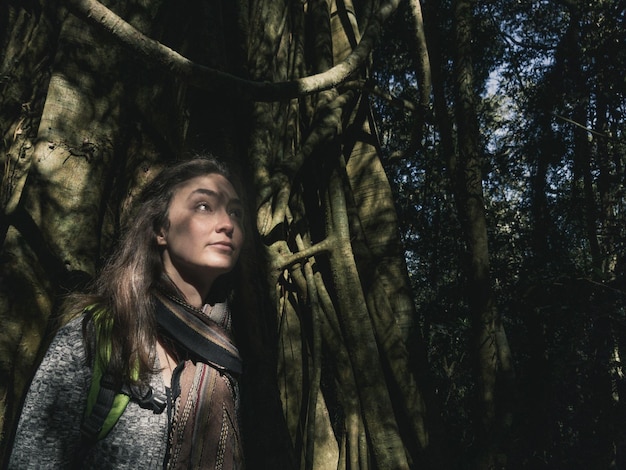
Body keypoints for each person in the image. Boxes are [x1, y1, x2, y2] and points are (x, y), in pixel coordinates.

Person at [9, 156, 246, 469]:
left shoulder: (223, 360)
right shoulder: (93, 338)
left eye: (235, 212)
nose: (227, 224)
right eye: (204, 206)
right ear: (161, 228)